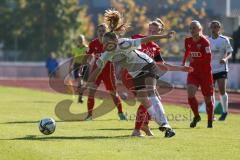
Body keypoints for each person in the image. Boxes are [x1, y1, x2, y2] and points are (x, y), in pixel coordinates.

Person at [87, 9, 193, 137]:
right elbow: (97, 69)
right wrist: (88, 81)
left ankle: (164, 123)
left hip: (147, 65)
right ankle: (164, 126)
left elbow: (148, 39)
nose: (104, 46)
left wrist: (165, 37)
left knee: (151, 92)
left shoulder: (125, 43)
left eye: (107, 43)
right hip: (135, 74)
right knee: (145, 101)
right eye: (103, 43)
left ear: (115, 41)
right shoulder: (106, 54)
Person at [122, 18, 182, 136]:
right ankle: (138, 129)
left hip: (143, 76)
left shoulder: (155, 48)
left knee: (155, 100)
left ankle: (144, 125)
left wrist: (180, 68)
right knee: (147, 101)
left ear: (159, 32)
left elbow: (161, 65)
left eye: (155, 31)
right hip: (130, 75)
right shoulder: (137, 38)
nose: (151, 33)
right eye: (150, 30)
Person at [85, 23, 127, 120]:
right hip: (96, 69)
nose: (101, 32)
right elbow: (88, 54)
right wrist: (86, 62)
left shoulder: (111, 43)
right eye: (100, 31)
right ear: (97, 32)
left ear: (106, 32)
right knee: (91, 91)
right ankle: (89, 115)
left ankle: (121, 113)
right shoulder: (93, 43)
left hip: (108, 70)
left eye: (103, 31)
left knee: (113, 93)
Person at [182, 20, 214, 128]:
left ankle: (210, 122)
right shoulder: (187, 41)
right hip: (193, 73)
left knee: (208, 99)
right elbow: (187, 52)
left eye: (194, 28)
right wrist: (184, 63)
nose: (191, 30)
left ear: (200, 29)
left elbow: (208, 59)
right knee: (190, 94)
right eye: (190, 28)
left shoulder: (205, 42)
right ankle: (196, 116)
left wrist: (194, 60)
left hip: (205, 74)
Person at [208, 20, 233, 121]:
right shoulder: (207, 40)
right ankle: (212, 113)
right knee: (210, 92)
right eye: (212, 27)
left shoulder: (224, 40)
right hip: (210, 69)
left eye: (216, 27)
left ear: (219, 28)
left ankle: (224, 112)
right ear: (210, 28)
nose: (214, 29)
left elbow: (230, 52)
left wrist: (225, 59)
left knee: (222, 90)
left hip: (221, 69)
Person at [69, 35, 89, 103]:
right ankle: (80, 96)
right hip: (77, 66)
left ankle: (81, 95)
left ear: (84, 40)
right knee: (80, 81)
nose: (80, 40)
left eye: (81, 39)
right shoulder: (74, 49)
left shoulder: (86, 48)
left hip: (84, 65)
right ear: (77, 40)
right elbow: (72, 58)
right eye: (79, 39)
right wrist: (70, 67)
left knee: (83, 82)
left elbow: (89, 57)